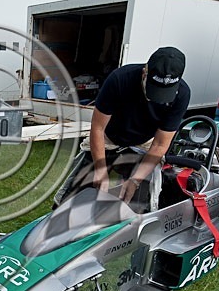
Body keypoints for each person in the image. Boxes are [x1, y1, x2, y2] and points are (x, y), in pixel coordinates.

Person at [55, 46, 190, 211]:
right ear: (144, 73)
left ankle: (127, 227)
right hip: (109, 136)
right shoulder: (120, 79)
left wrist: (135, 180)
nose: (157, 98)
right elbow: (97, 128)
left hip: (145, 142)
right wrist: (100, 169)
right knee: (77, 188)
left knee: (144, 200)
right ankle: (59, 215)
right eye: (153, 89)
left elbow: (160, 145)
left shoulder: (182, 94)